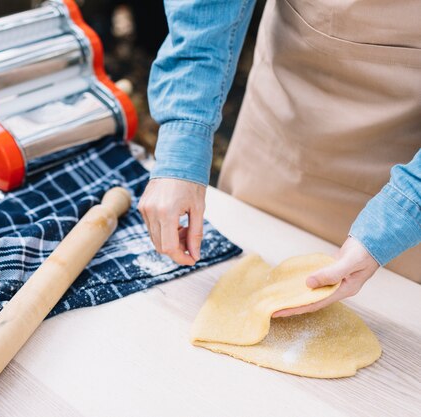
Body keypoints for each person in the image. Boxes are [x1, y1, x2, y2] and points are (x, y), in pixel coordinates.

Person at [138, 0, 421, 316]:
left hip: (409, 149)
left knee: (393, 309)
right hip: (285, 103)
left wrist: (402, 215)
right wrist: (183, 138)